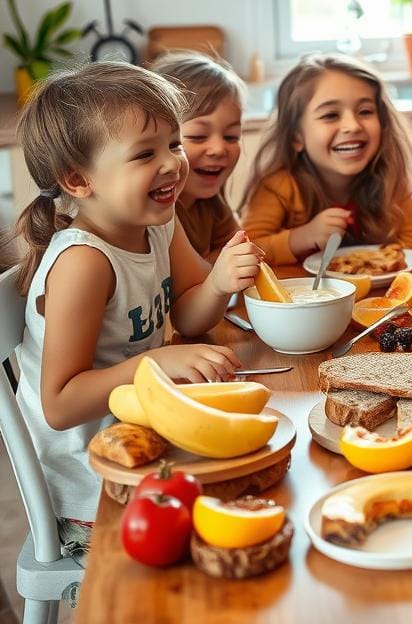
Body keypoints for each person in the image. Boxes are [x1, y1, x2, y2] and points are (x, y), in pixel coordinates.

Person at [12, 63, 262, 560]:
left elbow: (190, 316)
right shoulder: (84, 261)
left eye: (173, 143)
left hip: (147, 435)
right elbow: (59, 404)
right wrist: (155, 363)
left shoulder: (158, 224)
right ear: (79, 179)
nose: (172, 163)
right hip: (95, 482)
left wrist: (217, 283)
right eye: (145, 153)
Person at [241, 53, 412, 275]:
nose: (352, 126)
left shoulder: (388, 179)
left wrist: (379, 260)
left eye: (365, 111)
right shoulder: (278, 187)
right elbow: (246, 252)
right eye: (330, 115)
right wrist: (302, 237)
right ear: (296, 137)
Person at [151, 51, 246, 261]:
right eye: (198, 136)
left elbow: (242, 249)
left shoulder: (213, 206)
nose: (219, 149)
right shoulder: (155, 213)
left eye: (231, 137)